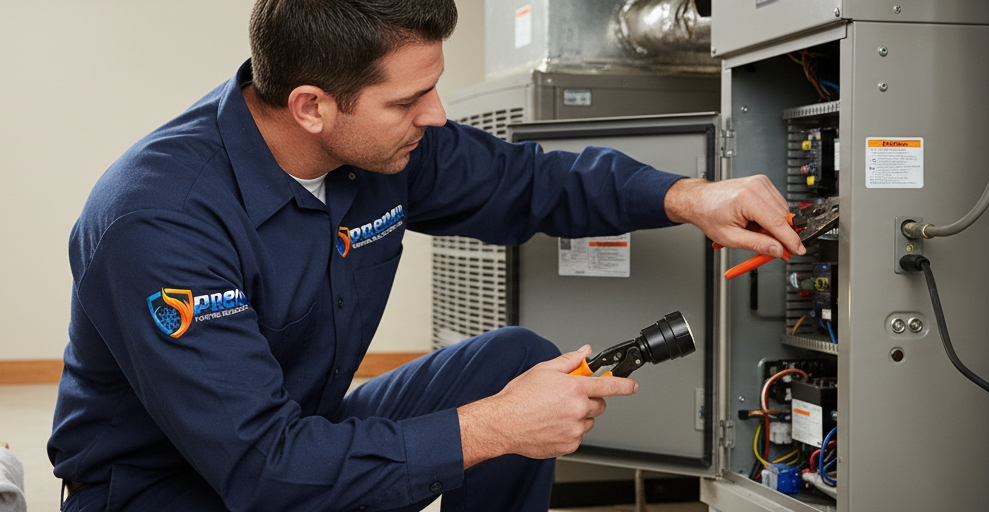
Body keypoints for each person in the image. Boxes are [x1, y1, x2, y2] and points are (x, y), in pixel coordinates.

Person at [47, 0, 803, 511]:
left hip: (301, 433)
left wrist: (688, 197)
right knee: (500, 411)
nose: (436, 115)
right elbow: (261, 469)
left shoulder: (384, 151)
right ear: (312, 105)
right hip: (169, 488)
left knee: (515, 361)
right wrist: (495, 429)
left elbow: (527, 181)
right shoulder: (159, 220)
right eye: (408, 101)